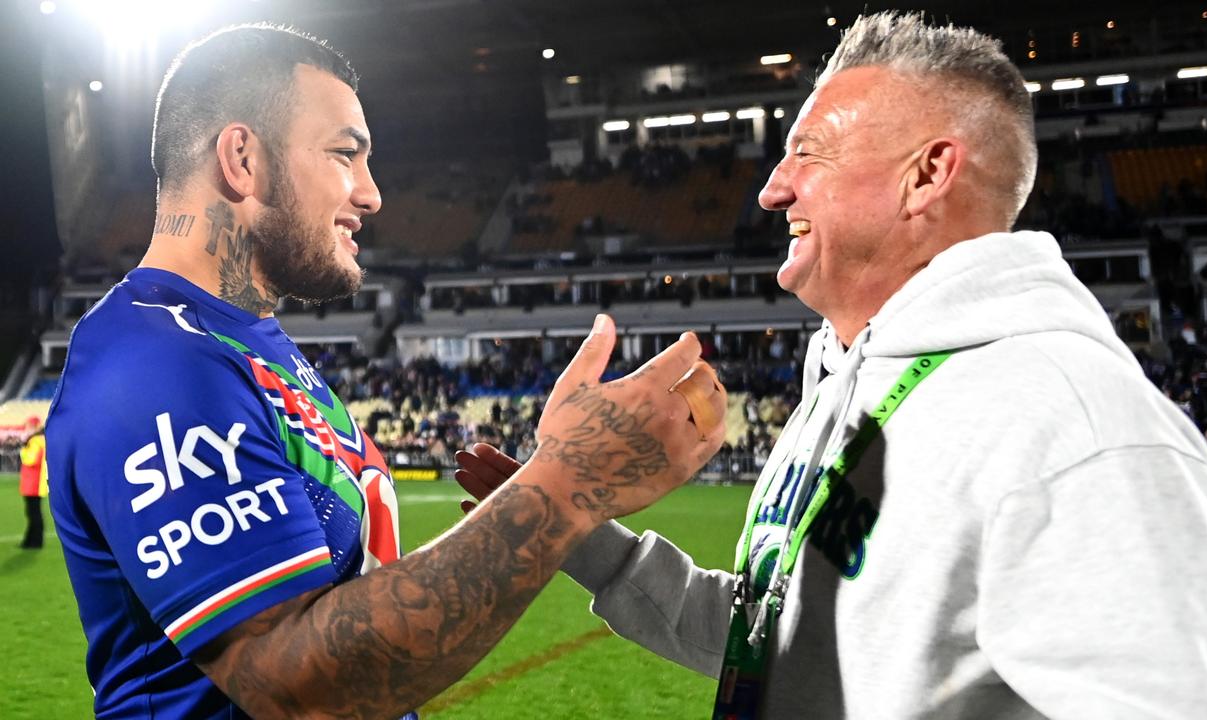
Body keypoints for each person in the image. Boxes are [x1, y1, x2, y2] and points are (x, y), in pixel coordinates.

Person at [457, 12, 1207, 718]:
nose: (770, 189)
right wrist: (582, 535)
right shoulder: (843, 387)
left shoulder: (1078, 427)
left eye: (809, 153)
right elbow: (780, 644)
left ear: (927, 175)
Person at [45, 23, 725, 719]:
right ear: (242, 159)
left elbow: (347, 606)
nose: (371, 195)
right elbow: (296, 686)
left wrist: (545, 489)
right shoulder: (158, 364)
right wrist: (569, 482)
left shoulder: (252, 342)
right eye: (345, 155)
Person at [18, 415, 47, 549]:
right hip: (33, 483)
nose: (26, 428)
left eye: (29, 426)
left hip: (33, 484)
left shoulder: (35, 441)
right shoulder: (38, 440)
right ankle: (31, 540)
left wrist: (23, 450)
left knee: (33, 513)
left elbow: (30, 460)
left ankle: (35, 541)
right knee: (33, 512)